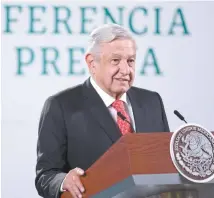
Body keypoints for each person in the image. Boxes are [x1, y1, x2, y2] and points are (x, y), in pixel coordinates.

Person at [35, 23, 170, 198]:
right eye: (115, 61)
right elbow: (45, 176)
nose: (125, 70)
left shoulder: (152, 102)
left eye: (130, 61)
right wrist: (63, 180)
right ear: (92, 63)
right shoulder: (60, 106)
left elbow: (166, 165)